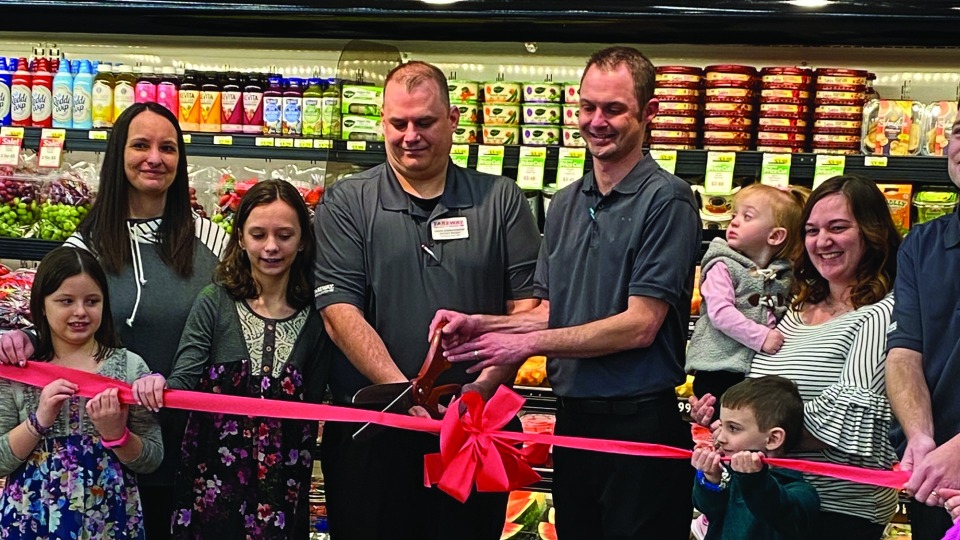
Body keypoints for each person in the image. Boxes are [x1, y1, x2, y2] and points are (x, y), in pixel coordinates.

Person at [431, 46, 701, 540]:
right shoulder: (565, 204)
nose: (597, 121)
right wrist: (483, 324)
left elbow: (641, 325)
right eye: (587, 107)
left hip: (640, 424)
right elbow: (552, 314)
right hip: (574, 420)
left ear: (650, 113)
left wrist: (526, 344)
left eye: (614, 109)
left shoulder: (668, 201)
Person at [312, 60, 541, 540]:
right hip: (372, 430)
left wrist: (477, 393)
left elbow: (532, 313)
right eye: (398, 123)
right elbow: (338, 313)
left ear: (453, 119)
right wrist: (407, 396)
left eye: (425, 122)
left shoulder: (501, 200)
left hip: (476, 431)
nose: (410, 135)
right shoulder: (348, 201)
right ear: (383, 122)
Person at [0, 102, 228, 539]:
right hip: (98, 453)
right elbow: (59, 317)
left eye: (168, 148)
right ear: (118, 154)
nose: (155, 158)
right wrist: (25, 339)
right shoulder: (84, 243)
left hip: (190, 443)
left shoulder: (212, 239)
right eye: (140, 145)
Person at [692, 175, 902, 539]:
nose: (823, 241)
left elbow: (852, 425)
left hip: (832, 510)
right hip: (760, 501)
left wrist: (746, 433)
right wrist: (724, 421)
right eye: (812, 230)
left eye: (838, 228)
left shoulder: (882, 313)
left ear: (873, 234)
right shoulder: (796, 306)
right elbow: (759, 402)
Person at [131, 179, 329, 539]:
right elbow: (182, 382)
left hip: (283, 490)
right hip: (211, 487)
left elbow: (314, 405)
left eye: (284, 235)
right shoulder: (215, 301)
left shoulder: (317, 317)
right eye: (258, 234)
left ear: (302, 241)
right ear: (240, 238)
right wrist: (154, 384)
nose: (271, 247)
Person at [0, 246, 163, 539]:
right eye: (65, 301)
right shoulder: (18, 371)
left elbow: (152, 458)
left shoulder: (129, 367)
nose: (80, 312)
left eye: (92, 301)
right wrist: (38, 421)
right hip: (31, 520)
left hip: (111, 519)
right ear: (41, 304)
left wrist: (117, 435)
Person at [887, 107, 960, 540]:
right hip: (938, 480)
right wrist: (920, 439)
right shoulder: (922, 243)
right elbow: (904, 352)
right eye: (958, 131)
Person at [686, 184, 805, 421]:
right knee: (727, 430)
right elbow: (720, 313)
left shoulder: (782, 274)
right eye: (734, 215)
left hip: (758, 372)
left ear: (775, 236)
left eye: (747, 217)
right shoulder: (722, 265)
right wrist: (761, 337)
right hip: (720, 369)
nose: (735, 222)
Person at [691, 375, 819, 540]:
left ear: (773, 439)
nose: (721, 437)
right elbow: (707, 507)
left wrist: (754, 479)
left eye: (733, 428)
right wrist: (711, 478)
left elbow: (777, 511)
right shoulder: (728, 477)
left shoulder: (802, 493)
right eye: (721, 425)